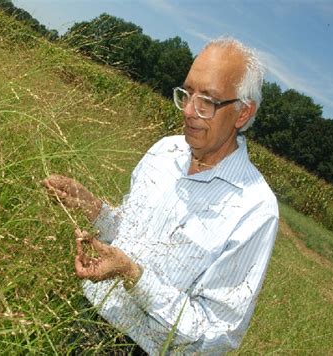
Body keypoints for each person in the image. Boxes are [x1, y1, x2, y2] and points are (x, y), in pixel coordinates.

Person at [43, 37, 279, 355]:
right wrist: (93, 207)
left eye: (206, 101)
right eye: (186, 93)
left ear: (241, 113)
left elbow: (216, 335)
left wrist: (132, 276)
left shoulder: (255, 209)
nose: (188, 110)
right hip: (84, 313)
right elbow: (128, 231)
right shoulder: (164, 150)